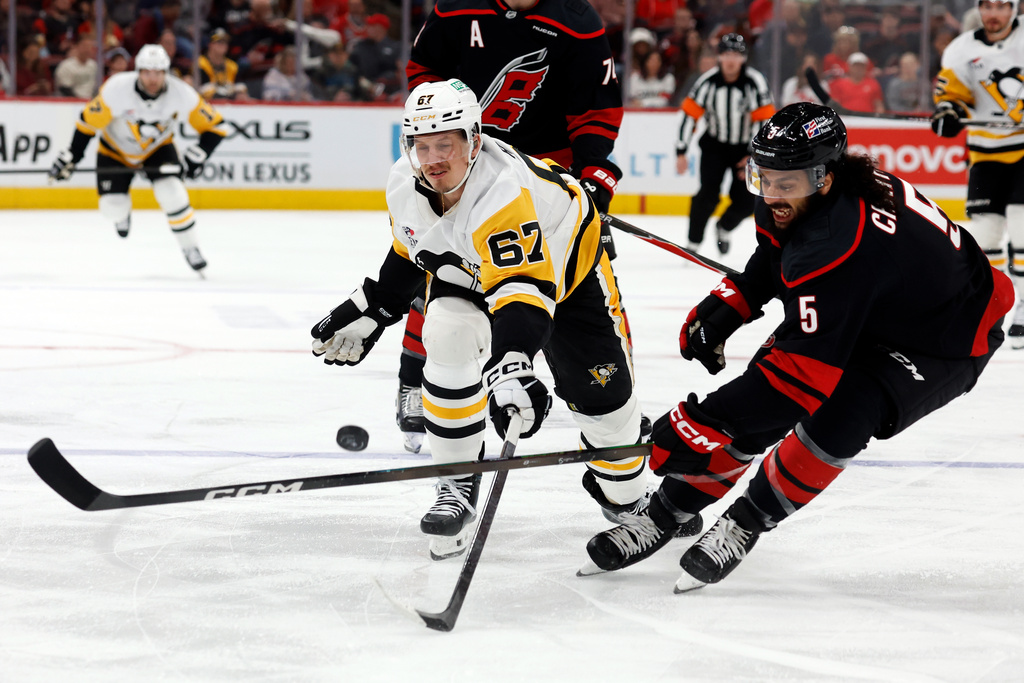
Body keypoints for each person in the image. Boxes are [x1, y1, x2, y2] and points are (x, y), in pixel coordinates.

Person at [580, 102, 1014, 591]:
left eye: (784, 184)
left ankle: (746, 521)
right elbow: (779, 253)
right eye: (763, 178)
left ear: (825, 178)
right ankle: (665, 513)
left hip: (946, 336)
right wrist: (736, 299)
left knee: (842, 413)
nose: (771, 194)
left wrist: (698, 421)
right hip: (876, 303)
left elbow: (794, 385)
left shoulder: (841, 242)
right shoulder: (802, 196)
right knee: (755, 406)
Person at [310, 80, 674, 560]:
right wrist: (377, 306)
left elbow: (522, 293)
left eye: (445, 145)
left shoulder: (501, 192)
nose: (432, 159)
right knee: (448, 331)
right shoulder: (403, 181)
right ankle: (456, 484)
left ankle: (626, 498)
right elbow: (413, 247)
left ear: (474, 141)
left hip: (566, 277)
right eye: (422, 145)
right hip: (476, 272)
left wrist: (510, 363)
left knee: (609, 417)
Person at [396, 0, 627, 458]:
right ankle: (415, 380)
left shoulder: (576, 21)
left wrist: (591, 173)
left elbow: (595, 109)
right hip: (465, 162)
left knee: (584, 274)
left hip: (544, 177)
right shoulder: (457, 7)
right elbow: (424, 69)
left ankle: (613, 389)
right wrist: (444, 127)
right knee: (441, 267)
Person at [48, 44, 226, 274]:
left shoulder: (182, 94)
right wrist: (73, 155)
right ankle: (122, 214)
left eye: (158, 72)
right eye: (147, 72)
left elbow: (216, 127)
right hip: (114, 151)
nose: (153, 79)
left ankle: (191, 248)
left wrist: (198, 155)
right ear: (138, 71)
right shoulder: (116, 89)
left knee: (173, 194)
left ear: (166, 72)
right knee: (111, 208)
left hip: (157, 150)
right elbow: (87, 123)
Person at [932, 0, 1024, 348]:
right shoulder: (961, 49)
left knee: (1022, 227)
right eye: (987, 6)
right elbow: (952, 94)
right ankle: (995, 306)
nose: (994, 14)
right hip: (985, 153)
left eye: (1002, 6)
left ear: (1014, 9)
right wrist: (948, 112)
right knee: (985, 238)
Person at [675, 33, 774, 255]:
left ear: (744, 58)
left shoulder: (755, 82)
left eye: (736, 55)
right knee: (707, 196)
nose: (731, 60)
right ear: (719, 56)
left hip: (746, 149)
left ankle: (724, 227)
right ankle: (693, 244)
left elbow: (765, 121)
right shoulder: (707, 82)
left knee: (747, 199)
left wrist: (754, 155)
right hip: (715, 147)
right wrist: (681, 150)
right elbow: (689, 116)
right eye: (727, 54)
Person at [199, 27, 250, 100]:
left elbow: (240, 86)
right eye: (219, 42)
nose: (223, 45)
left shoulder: (232, 66)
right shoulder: (200, 63)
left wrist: (239, 93)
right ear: (210, 44)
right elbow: (203, 89)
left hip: (229, 101)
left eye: (225, 42)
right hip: (207, 102)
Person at [54, 32, 98, 99]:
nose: (87, 49)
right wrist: (78, 101)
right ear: (76, 46)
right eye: (84, 46)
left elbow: (96, 87)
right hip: (71, 101)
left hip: (90, 101)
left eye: (90, 46)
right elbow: (64, 88)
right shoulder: (66, 66)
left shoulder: (93, 65)